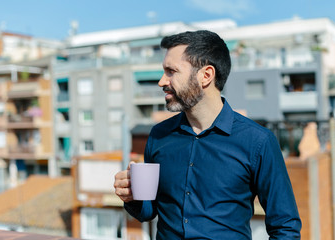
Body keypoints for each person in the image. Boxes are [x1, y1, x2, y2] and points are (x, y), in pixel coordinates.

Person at [114, 30, 301, 239]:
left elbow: (285, 228)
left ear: (206, 75)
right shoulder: (159, 135)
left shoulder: (258, 141)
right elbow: (149, 210)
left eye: (171, 71)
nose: (161, 81)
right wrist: (132, 198)